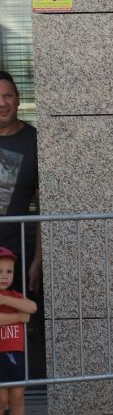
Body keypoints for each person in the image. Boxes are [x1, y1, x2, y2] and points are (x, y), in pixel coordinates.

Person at [0, 73, 39, 295]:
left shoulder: (33, 142)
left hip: (15, 258)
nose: (1, 103)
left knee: (14, 326)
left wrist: (38, 261)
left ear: (18, 98)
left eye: (7, 96)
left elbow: (46, 206)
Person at [0, 247, 36, 415]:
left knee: (18, 396)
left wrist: (5, 300)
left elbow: (31, 308)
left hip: (16, 353)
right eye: (0, 272)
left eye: (9, 271)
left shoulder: (14, 296)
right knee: (1, 398)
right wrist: (17, 317)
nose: (5, 276)